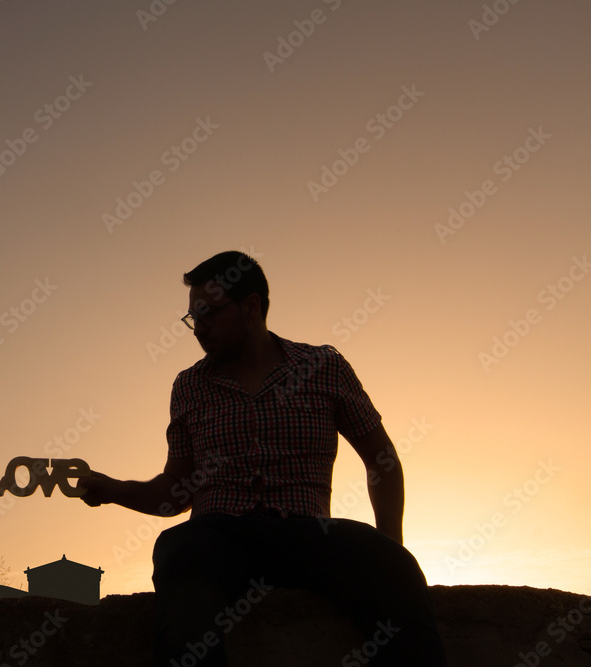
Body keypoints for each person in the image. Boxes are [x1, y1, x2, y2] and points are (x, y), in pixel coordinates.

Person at [78, 251, 447, 666]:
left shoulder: (323, 366)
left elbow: (381, 458)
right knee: (178, 550)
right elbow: (174, 493)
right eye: (192, 318)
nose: (199, 329)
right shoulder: (188, 386)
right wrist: (110, 489)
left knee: (396, 570)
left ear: (251, 306)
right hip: (219, 536)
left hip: (308, 532)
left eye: (210, 314)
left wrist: (389, 545)